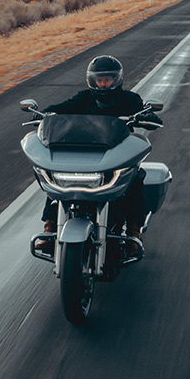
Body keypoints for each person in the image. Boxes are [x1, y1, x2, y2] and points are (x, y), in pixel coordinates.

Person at [37, 55, 152, 255]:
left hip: (116, 156)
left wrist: (147, 115)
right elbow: (63, 109)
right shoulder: (84, 98)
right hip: (86, 155)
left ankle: (134, 232)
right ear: (92, 80)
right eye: (99, 79)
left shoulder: (130, 99)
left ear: (117, 80)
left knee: (135, 178)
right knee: (57, 180)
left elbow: (141, 111)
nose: (104, 83)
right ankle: (49, 229)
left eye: (108, 79)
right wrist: (46, 115)